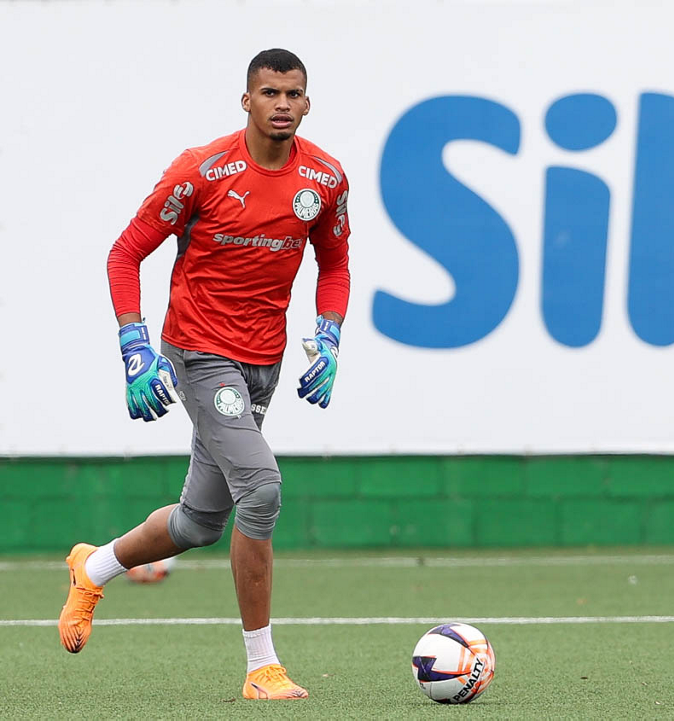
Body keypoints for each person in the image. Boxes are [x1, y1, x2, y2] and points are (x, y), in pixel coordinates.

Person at [59, 48, 351, 701]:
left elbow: (334, 264)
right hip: (198, 352)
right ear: (246, 100)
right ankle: (261, 666)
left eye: (294, 93)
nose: (282, 104)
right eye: (270, 92)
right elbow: (124, 253)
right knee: (262, 487)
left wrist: (330, 337)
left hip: (264, 360)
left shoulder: (326, 178)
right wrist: (135, 346)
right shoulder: (201, 171)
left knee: (198, 523)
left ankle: (92, 567)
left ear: (308, 103)